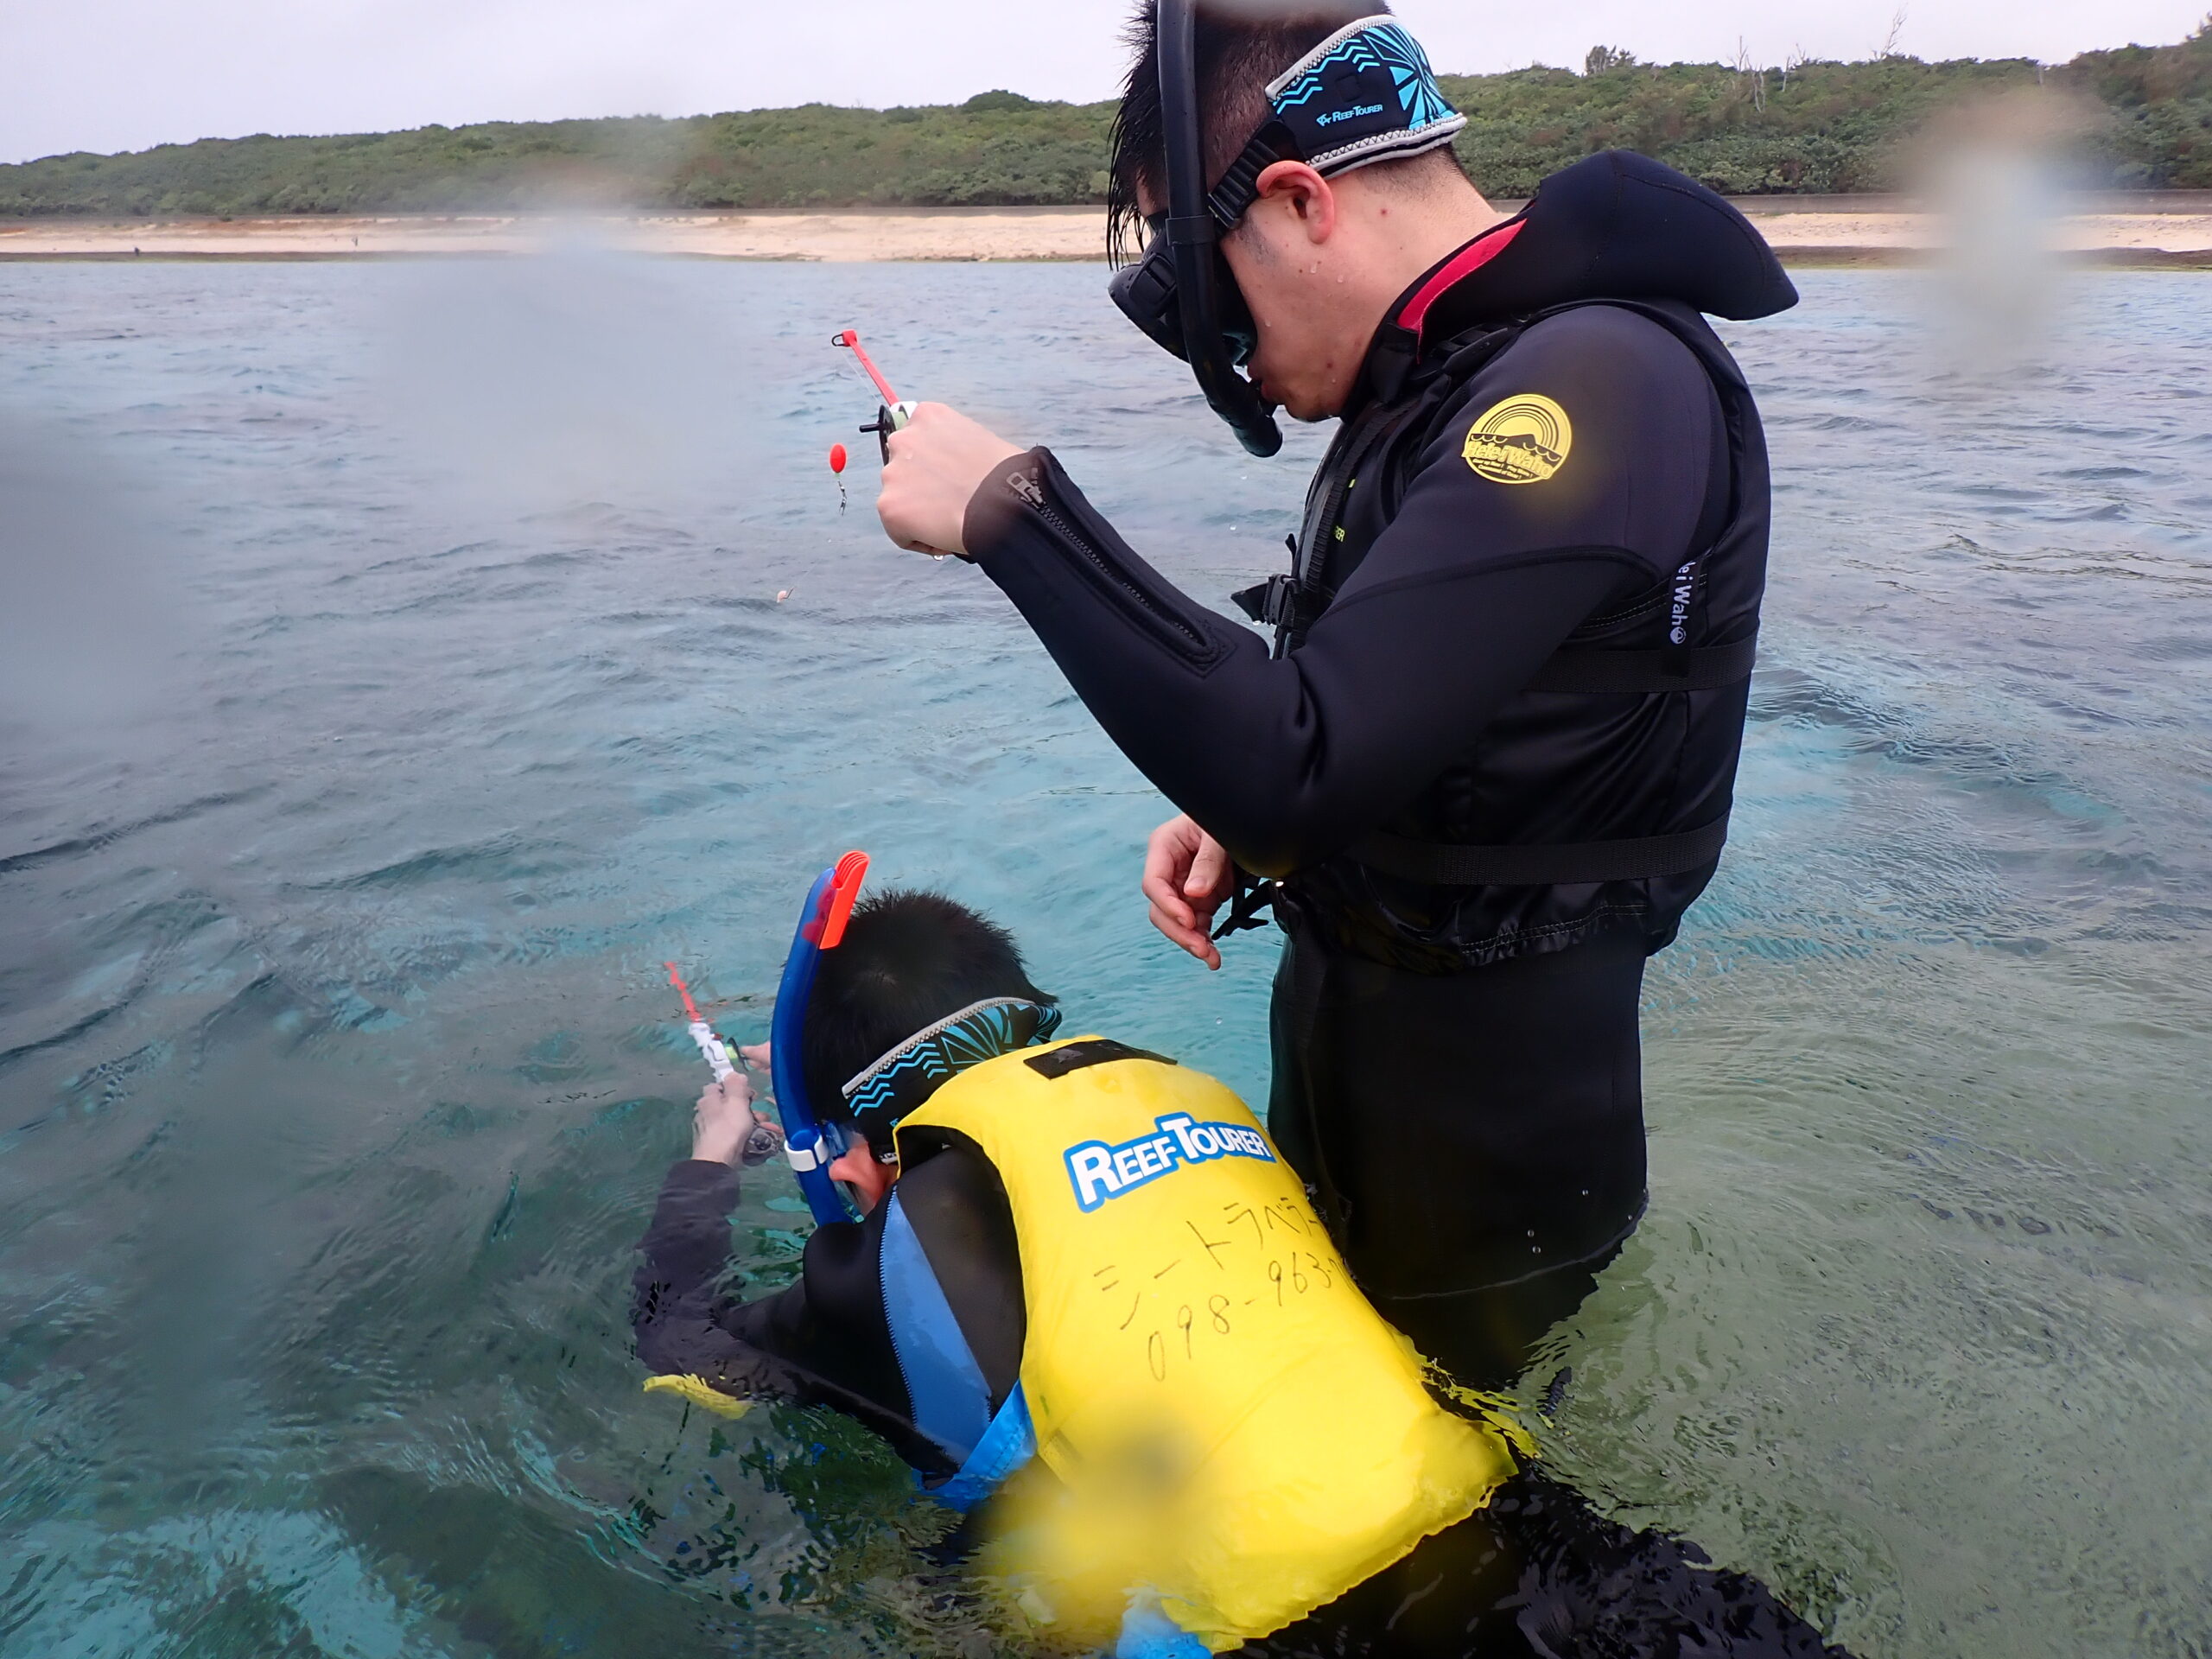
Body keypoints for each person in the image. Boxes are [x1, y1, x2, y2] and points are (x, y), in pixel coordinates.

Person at [870, 1, 1797, 1388]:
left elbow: (1298, 760)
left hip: (1492, 1211)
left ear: (1302, 202)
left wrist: (1017, 513)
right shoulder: (1437, 389)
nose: (1231, 361)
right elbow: (1400, 728)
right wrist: (1258, 827)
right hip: (1364, 1122)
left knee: (1458, 1571)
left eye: (1214, 294)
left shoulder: (1600, 380)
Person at [632, 885, 1849, 1657]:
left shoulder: (883, 1265)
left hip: (1284, 1629)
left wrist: (707, 1159)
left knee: (938, 1595)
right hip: (1541, 1541)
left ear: (848, 1150)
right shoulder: (1193, 1095)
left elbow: (674, 1345)